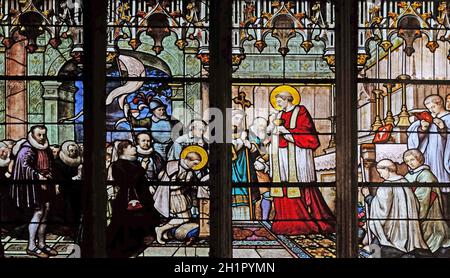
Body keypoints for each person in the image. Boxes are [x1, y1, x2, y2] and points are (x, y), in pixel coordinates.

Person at [268, 88, 335, 235]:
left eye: (280, 101)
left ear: (287, 99)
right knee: (283, 185)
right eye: (277, 102)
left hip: (298, 153)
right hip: (280, 154)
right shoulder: (278, 114)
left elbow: (307, 133)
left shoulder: (301, 111)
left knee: (300, 185)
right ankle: (284, 222)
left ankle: (303, 222)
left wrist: (286, 132)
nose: (278, 104)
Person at [361, 159, 428, 257]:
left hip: (393, 233)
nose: (380, 175)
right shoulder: (404, 182)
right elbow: (416, 204)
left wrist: (367, 196)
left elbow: (382, 210)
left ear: (387, 169)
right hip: (408, 229)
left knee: (372, 250)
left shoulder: (386, 186)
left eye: (381, 172)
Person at [106, 140, 161, 258]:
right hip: (127, 200)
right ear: (123, 150)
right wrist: (142, 169)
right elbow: (127, 182)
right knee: (126, 228)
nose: (135, 148)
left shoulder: (135, 163)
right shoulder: (117, 165)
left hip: (142, 198)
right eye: (131, 146)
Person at [10, 126, 58, 258]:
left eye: (44, 135)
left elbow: (51, 165)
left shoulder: (45, 148)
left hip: (47, 184)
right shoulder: (27, 149)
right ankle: (31, 246)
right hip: (34, 186)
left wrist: (55, 182)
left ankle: (42, 243)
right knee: (38, 213)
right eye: (39, 135)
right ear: (32, 134)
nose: (42, 138)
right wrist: (38, 177)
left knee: (46, 212)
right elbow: (24, 167)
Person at [153, 146, 209, 244]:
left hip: (182, 196)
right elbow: (170, 186)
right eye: (194, 163)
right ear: (187, 160)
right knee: (184, 218)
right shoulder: (173, 167)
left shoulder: (189, 171)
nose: (195, 166)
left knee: (186, 218)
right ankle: (161, 229)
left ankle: (167, 233)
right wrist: (184, 183)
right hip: (173, 197)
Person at [407, 95, 450, 221]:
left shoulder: (448, 118)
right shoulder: (430, 118)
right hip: (429, 158)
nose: (431, 110)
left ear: (440, 104)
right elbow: (414, 139)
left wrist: (443, 128)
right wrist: (423, 128)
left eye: (433, 107)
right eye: (429, 108)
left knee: (444, 192)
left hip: (442, 158)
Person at [403, 149, 450, 255]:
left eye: (412, 160)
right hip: (413, 208)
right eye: (407, 161)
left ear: (419, 159)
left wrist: (413, 212)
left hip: (428, 212)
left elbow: (423, 198)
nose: (410, 163)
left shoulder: (426, 175)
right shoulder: (408, 175)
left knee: (428, 234)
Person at [52, 141, 83, 240]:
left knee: (76, 210)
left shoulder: (79, 161)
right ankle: (70, 230)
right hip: (64, 191)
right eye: (70, 150)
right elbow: (59, 178)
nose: (73, 152)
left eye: (75, 150)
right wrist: (73, 179)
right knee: (68, 209)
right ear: (65, 151)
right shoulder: (58, 163)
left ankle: (77, 230)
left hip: (77, 190)